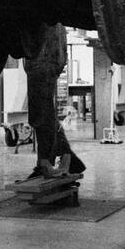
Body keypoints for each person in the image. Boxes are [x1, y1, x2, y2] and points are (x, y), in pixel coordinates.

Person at [19, 22, 85, 180]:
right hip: (47, 55)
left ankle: (45, 162)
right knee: (45, 109)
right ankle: (67, 156)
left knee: (40, 113)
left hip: (43, 57)